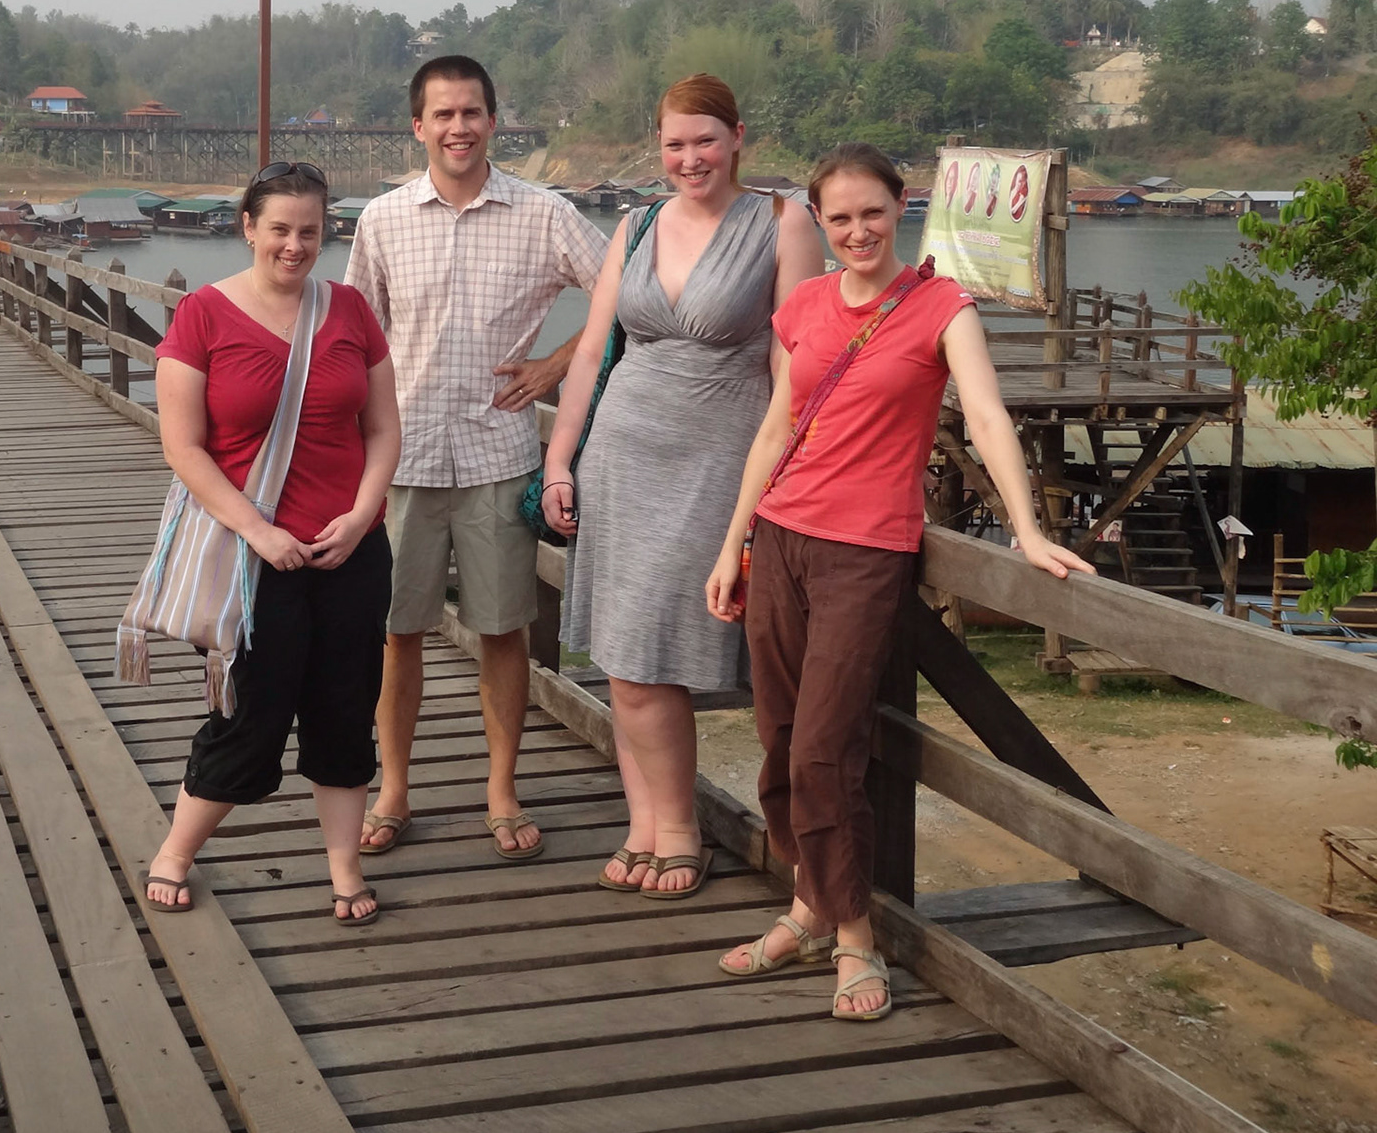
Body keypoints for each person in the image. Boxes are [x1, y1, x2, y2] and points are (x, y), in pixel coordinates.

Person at [706, 142, 1094, 1020]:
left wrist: (1027, 529)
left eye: (871, 213)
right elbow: (775, 431)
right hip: (781, 538)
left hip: (865, 553)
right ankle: (809, 904)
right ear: (821, 222)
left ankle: (856, 938)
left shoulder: (940, 307)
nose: (856, 232)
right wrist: (732, 544)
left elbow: (988, 417)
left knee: (826, 752)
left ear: (900, 207)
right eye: (837, 218)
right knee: (776, 738)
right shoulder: (803, 306)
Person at [544, 74, 822, 897]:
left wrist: (781, 475)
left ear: (739, 137)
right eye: (674, 143)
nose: (689, 157)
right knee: (628, 652)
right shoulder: (635, 224)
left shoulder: (783, 222)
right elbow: (593, 352)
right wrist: (561, 458)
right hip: (622, 454)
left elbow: (794, 363)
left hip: (717, 458)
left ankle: (677, 829)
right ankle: (647, 823)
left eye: (705, 139)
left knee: (654, 652)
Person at [346, 56, 608, 860]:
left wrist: (556, 365)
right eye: (443, 114)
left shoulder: (545, 213)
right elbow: (355, 339)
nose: (459, 127)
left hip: (499, 453)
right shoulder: (382, 220)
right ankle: (393, 787)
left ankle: (501, 788)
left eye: (473, 112)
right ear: (418, 126)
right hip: (404, 455)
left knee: (504, 630)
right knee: (397, 631)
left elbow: (625, 293)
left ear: (496, 120)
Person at [142, 162, 400, 924]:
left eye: (310, 231)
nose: (294, 245)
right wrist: (259, 530)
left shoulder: (350, 310)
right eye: (279, 228)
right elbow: (183, 448)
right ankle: (175, 852)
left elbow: (383, 428)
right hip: (249, 557)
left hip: (352, 548)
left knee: (346, 705)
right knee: (251, 711)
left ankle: (344, 868)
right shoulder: (204, 315)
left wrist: (360, 516)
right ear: (247, 226)